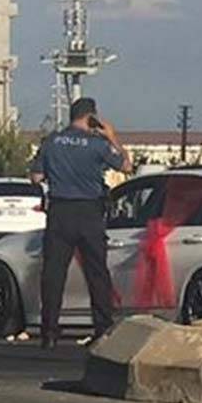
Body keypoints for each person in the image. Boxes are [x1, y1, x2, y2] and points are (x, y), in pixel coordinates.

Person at [30, 97, 132, 348]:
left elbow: (36, 176)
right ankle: (102, 328)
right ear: (91, 117)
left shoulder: (51, 141)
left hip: (60, 213)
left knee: (53, 274)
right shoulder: (98, 144)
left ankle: (49, 332)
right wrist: (112, 138)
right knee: (97, 272)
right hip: (89, 213)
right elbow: (127, 167)